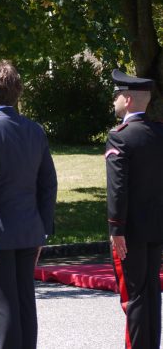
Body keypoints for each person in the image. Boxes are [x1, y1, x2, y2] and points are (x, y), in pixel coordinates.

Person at [0, 60, 57, 349]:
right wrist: (42, 230)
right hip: (28, 231)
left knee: (4, 311)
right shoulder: (34, 129)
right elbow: (48, 183)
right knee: (24, 308)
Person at [107, 69, 163, 349]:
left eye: (117, 95)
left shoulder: (120, 137)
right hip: (156, 227)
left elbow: (118, 188)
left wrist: (115, 228)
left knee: (135, 296)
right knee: (152, 290)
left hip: (130, 232)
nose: (114, 101)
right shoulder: (159, 132)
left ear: (128, 99)